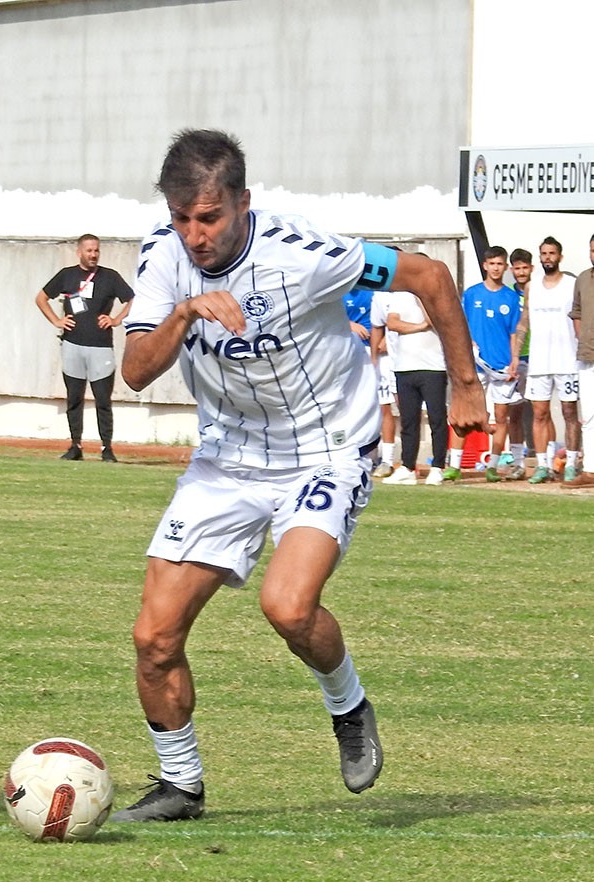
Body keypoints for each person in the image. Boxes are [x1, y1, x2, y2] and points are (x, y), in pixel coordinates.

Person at [112, 129, 485, 822]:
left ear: (242, 203)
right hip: (226, 458)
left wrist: (465, 383)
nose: (194, 235)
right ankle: (179, 784)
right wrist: (186, 309)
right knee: (152, 637)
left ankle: (347, 707)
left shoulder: (304, 254)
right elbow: (135, 370)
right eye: (181, 218)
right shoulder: (163, 258)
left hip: (325, 448)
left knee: (286, 605)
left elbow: (428, 276)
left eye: (209, 218)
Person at [35, 234, 133, 461]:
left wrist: (116, 320)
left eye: (96, 250)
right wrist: (56, 321)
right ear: (79, 252)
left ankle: (106, 448)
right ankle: (75, 445)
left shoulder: (110, 277)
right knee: (74, 398)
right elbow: (41, 298)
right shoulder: (67, 276)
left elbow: (132, 299)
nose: (93, 255)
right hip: (72, 345)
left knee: (102, 400)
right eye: (89, 250)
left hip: (100, 347)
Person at [441, 246, 521, 482]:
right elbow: (460, 324)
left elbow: (515, 332)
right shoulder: (472, 294)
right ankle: (454, 464)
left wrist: (515, 359)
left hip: (502, 364)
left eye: (500, 264)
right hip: (474, 364)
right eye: (492, 264)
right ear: (485, 265)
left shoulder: (510, 298)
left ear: (505, 267)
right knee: (465, 412)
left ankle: (492, 466)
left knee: (500, 415)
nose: (496, 268)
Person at [524, 237, 580, 483]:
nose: (548, 257)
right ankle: (542, 465)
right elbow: (524, 321)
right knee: (539, 413)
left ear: (560, 256)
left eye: (552, 253)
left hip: (567, 359)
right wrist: (515, 355)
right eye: (544, 253)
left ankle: (571, 462)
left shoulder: (572, 284)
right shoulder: (532, 287)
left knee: (569, 412)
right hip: (539, 361)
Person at [381, 290, 451, 486]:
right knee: (409, 420)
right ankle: (407, 467)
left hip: (433, 367)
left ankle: (438, 467)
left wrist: (423, 299)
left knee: (437, 418)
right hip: (405, 367)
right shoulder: (398, 297)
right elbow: (393, 323)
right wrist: (420, 326)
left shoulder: (435, 297)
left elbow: (435, 321)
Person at [565, 233, 594, 486]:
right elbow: (576, 312)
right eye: (592, 250)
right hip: (587, 356)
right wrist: (581, 336)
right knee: (589, 416)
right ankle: (590, 470)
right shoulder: (583, 278)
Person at [506, 248, 535, 480]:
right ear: (511, 269)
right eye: (517, 268)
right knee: (514, 411)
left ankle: (549, 459)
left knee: (542, 410)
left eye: (525, 267)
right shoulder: (507, 295)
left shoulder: (540, 291)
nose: (521, 272)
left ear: (531, 268)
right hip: (516, 358)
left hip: (540, 357)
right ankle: (518, 461)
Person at [368, 290, 399, 477]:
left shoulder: (407, 292)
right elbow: (376, 327)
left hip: (407, 359)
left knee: (404, 409)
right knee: (381, 408)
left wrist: (389, 339)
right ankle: (378, 459)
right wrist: (373, 358)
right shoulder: (378, 296)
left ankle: (395, 461)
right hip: (383, 361)